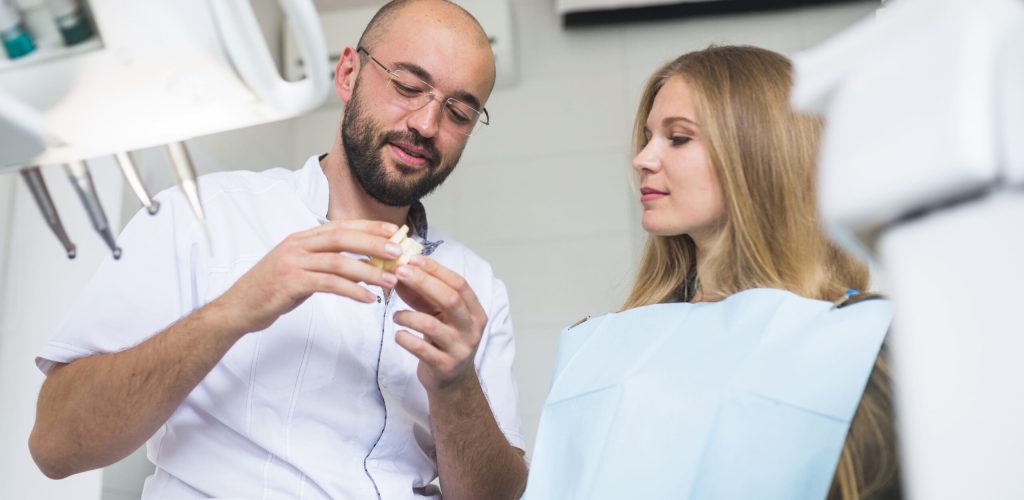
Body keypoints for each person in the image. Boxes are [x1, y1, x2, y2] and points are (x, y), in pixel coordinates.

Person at [28, 1, 528, 498]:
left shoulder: (474, 288)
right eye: (407, 86)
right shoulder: (203, 216)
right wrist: (231, 312)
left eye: (459, 112)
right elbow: (56, 446)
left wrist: (455, 383)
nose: (425, 124)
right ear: (349, 73)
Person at [521, 45, 900, 499]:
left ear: (758, 152)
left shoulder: (858, 348)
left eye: (678, 138)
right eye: (647, 137)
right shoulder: (606, 348)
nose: (642, 158)